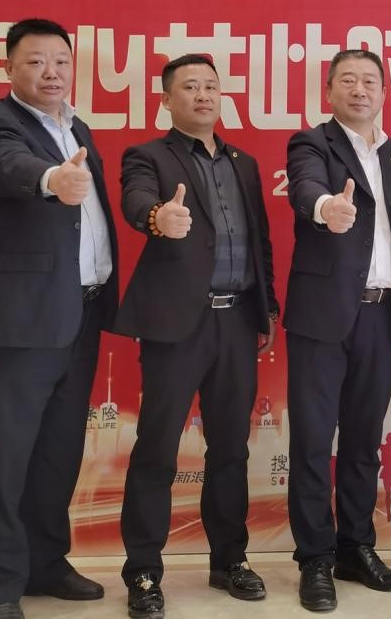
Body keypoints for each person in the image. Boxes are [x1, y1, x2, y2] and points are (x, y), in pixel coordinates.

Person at [0, 18, 119, 619]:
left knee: (57, 449)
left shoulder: (76, 127)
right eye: (35, 61)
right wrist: (53, 178)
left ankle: (44, 562)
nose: (51, 72)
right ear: (8, 68)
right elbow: (7, 166)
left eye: (60, 61)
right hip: (24, 319)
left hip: (80, 311)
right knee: (4, 454)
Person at [113, 54, 279, 619]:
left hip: (237, 321)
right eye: (190, 87)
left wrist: (266, 310)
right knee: (157, 448)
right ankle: (143, 572)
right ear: (167, 100)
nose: (203, 94)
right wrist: (158, 217)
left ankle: (230, 559)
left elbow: (259, 240)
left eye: (211, 86)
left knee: (230, 449)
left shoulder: (243, 163)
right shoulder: (148, 155)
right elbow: (136, 199)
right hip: (176, 325)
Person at [283, 49, 391, 612]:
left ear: (385, 92)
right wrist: (326, 209)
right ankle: (315, 559)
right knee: (314, 440)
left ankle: (356, 547)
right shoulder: (311, 143)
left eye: (370, 81)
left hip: (384, 312)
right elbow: (305, 188)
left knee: (364, 439)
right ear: (329, 91)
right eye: (348, 80)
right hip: (322, 314)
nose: (359, 90)